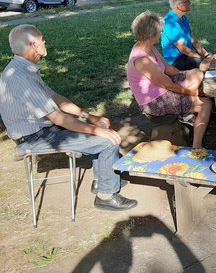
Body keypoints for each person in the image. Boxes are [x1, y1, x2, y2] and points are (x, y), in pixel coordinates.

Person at [0, 25, 137, 211]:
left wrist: (89, 117)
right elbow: (58, 118)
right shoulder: (21, 78)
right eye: (42, 39)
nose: (45, 41)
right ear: (33, 44)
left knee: (100, 130)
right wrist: (98, 131)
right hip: (37, 137)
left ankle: (102, 181)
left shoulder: (22, 68)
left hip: (44, 130)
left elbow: (56, 99)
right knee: (107, 141)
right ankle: (106, 196)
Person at [128, 11, 213, 150]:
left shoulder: (148, 46)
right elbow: (169, 86)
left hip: (164, 88)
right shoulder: (142, 60)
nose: (162, 33)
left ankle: (186, 112)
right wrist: (193, 93)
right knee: (206, 103)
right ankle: (197, 145)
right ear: (151, 35)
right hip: (155, 102)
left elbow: (169, 69)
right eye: (160, 31)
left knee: (197, 73)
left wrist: (188, 74)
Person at [161, 0, 212, 71]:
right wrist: (202, 59)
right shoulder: (170, 23)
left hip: (186, 56)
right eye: (187, 1)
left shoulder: (183, 18)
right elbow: (183, 49)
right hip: (175, 61)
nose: (190, 2)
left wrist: (206, 55)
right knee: (201, 63)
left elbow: (193, 41)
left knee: (208, 60)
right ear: (179, 6)